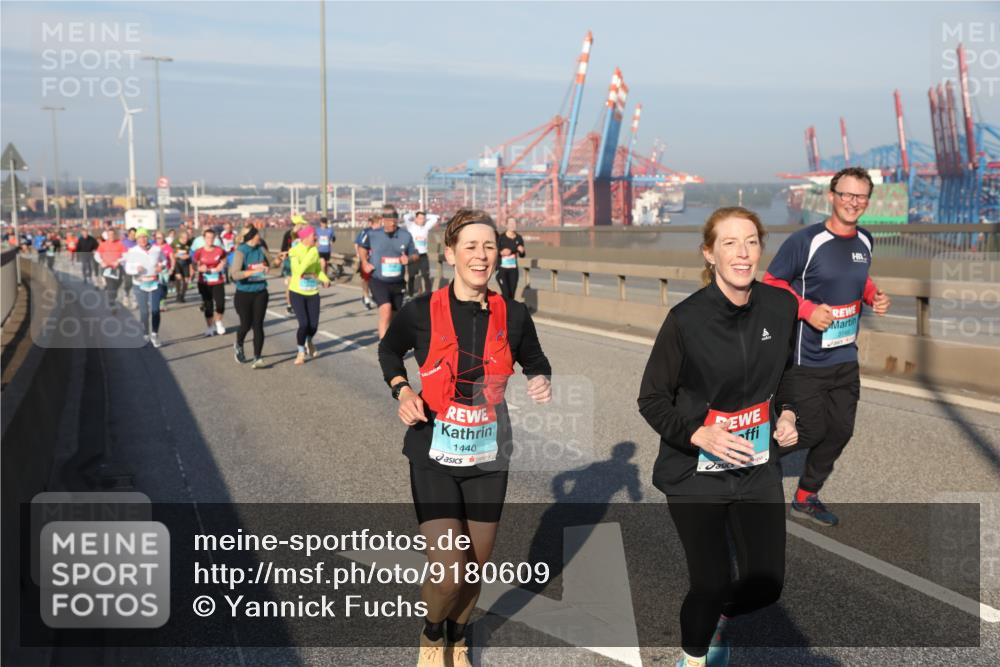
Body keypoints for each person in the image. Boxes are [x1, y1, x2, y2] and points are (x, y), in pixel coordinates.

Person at [378, 208, 552, 667]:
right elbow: (390, 350)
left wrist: (540, 379)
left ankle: (459, 634)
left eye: (489, 246)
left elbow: (535, 358)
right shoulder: (420, 311)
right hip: (433, 452)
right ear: (451, 253)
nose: (481, 255)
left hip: (488, 455)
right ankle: (433, 634)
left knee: (476, 568)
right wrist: (401, 389)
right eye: (471, 246)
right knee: (450, 571)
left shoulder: (513, 315)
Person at [638, 206, 800, 667]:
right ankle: (693, 657)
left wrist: (787, 413)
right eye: (729, 243)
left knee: (767, 584)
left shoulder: (781, 306)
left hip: (756, 466)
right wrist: (698, 434)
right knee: (708, 582)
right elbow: (652, 399)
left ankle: (714, 617)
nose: (743, 252)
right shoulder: (685, 320)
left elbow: (789, 373)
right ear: (709, 254)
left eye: (751, 241)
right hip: (696, 472)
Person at [763, 166, 891, 527]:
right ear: (832, 197)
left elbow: (859, 279)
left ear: (867, 201)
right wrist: (805, 309)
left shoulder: (865, 240)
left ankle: (806, 497)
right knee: (809, 431)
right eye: (847, 195)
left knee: (840, 431)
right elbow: (771, 282)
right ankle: (746, 460)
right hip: (807, 359)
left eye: (861, 196)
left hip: (845, 357)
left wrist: (872, 296)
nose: (853, 202)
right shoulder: (806, 241)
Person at [360, 205, 417, 339]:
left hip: (398, 282)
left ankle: (390, 340)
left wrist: (408, 259)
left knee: (394, 317)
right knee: (385, 309)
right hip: (378, 280)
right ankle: (385, 349)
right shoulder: (373, 234)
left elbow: (415, 255)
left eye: (394, 221)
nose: (392, 224)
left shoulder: (405, 235)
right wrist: (364, 262)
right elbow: (362, 248)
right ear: (382, 220)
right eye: (389, 221)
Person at [287, 225, 331, 365]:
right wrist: (311, 256)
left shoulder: (314, 251)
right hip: (297, 292)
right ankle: (301, 352)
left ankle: (309, 341)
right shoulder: (294, 251)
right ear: (305, 238)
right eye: (314, 236)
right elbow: (298, 271)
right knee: (304, 324)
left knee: (313, 325)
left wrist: (325, 279)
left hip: (312, 292)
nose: (316, 238)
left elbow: (317, 271)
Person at [230, 224, 271, 368]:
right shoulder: (241, 251)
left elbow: (271, 264)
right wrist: (254, 272)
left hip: (260, 291)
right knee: (246, 325)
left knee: (258, 325)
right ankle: (239, 344)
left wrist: (277, 261)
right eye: (257, 234)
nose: (260, 237)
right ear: (252, 237)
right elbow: (234, 274)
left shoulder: (261, 248)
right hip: (244, 294)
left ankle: (257, 358)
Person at [124, 229, 166, 347]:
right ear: (136, 239)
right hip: (140, 284)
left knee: (155, 310)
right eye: (140, 237)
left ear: (148, 238)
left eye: (144, 237)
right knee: (144, 312)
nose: (142, 239)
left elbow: (164, 260)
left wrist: (161, 267)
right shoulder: (132, 251)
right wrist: (136, 270)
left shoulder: (156, 249)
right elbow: (127, 269)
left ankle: (155, 335)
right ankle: (145, 334)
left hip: (154, 283)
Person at [192, 228, 228, 337]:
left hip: (218, 281)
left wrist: (222, 265)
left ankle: (218, 322)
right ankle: (210, 327)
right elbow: (193, 264)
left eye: (212, 238)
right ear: (204, 238)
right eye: (208, 237)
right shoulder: (199, 251)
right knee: (208, 305)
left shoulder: (219, 250)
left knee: (220, 304)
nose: (210, 240)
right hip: (204, 282)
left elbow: (224, 259)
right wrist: (199, 268)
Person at [402, 210, 440, 297]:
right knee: (411, 276)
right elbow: (405, 217)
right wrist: (414, 213)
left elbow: (436, 217)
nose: (421, 220)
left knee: (426, 275)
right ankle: (410, 294)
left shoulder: (426, 227)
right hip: (413, 254)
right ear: (416, 219)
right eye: (419, 218)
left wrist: (426, 215)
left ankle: (428, 295)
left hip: (423, 255)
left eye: (423, 218)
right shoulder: (411, 226)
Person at [95, 228, 126, 313]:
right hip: (107, 268)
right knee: (111, 285)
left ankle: (112, 298)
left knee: (117, 284)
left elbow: (125, 256)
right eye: (109, 235)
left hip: (117, 268)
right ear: (107, 236)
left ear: (115, 235)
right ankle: (112, 304)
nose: (111, 236)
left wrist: (118, 261)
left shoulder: (120, 244)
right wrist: (101, 262)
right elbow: (97, 255)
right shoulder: (103, 245)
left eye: (112, 234)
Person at [354, 215, 381, 310]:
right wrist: (360, 255)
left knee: (377, 279)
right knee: (366, 279)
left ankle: (375, 296)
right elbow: (358, 244)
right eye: (379, 224)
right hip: (366, 259)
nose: (381, 225)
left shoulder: (382, 232)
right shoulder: (365, 232)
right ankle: (365, 297)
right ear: (374, 223)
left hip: (377, 260)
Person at [496, 217, 525, 300]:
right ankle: (504, 311)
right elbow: (494, 252)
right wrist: (501, 252)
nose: (512, 225)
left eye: (514, 223)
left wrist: (522, 251)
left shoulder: (519, 238)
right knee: (506, 293)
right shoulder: (501, 238)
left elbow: (522, 255)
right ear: (506, 225)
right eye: (510, 223)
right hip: (502, 270)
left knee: (512, 295)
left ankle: (509, 312)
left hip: (513, 270)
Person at [171, 228, 193, 303]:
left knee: (186, 280)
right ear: (179, 237)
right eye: (183, 238)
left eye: (186, 238)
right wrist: (180, 256)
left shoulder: (189, 242)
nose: (185, 240)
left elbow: (191, 252)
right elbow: (171, 254)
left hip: (186, 263)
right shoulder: (175, 242)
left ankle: (182, 295)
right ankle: (178, 294)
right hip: (177, 263)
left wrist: (189, 256)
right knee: (178, 278)